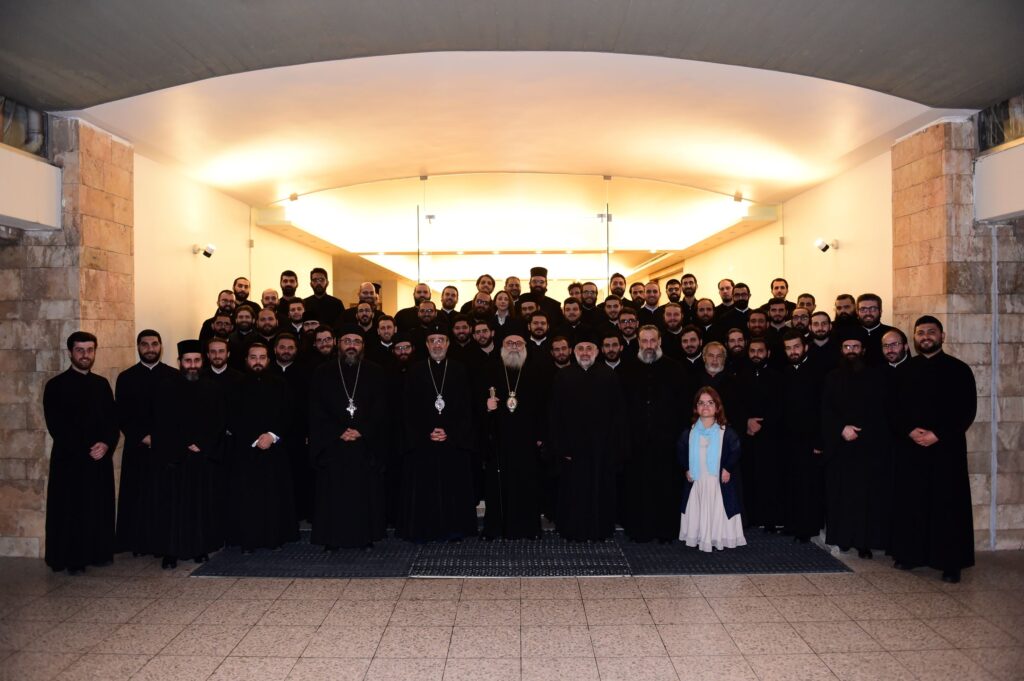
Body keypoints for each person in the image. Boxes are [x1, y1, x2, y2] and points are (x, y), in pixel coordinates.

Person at [890, 316, 977, 583]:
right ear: (914, 338)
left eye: (931, 332)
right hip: (911, 448)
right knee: (912, 503)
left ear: (942, 336)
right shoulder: (904, 370)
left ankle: (950, 562)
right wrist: (909, 430)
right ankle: (911, 555)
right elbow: (892, 408)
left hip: (946, 448)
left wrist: (937, 434)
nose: (925, 337)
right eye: (920, 333)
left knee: (947, 505)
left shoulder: (959, 370)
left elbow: (967, 410)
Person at [42, 331, 120, 574]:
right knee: (71, 511)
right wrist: (86, 449)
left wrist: (106, 444)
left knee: (98, 508)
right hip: (70, 461)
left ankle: (98, 553)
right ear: (70, 353)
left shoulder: (101, 384)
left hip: (99, 459)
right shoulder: (55, 386)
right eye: (80, 350)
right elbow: (56, 426)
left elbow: (112, 421)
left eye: (89, 350)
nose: (85, 355)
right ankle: (72, 559)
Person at [309, 325, 388, 550]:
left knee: (364, 492)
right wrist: (338, 431)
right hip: (334, 444)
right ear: (338, 344)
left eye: (356, 341)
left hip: (364, 444)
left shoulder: (375, 372)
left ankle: (366, 536)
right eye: (347, 341)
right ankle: (332, 538)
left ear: (363, 346)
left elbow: (381, 408)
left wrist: (362, 429)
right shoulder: (322, 372)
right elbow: (316, 408)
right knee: (334, 493)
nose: (351, 346)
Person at [150, 340, 226, 568]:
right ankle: (171, 552)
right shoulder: (166, 387)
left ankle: (200, 548)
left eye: (196, 360)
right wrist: (184, 444)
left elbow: (219, 421)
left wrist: (202, 444)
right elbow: (162, 423)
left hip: (202, 457)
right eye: (188, 361)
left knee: (200, 506)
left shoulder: (213, 388)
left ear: (202, 361)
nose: (192, 365)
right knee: (173, 508)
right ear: (180, 362)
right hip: (175, 458)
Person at [548, 331, 628, 540]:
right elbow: (555, 415)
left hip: (602, 449)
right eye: (581, 349)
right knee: (573, 491)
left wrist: (614, 446)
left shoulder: (609, 376)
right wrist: (561, 447)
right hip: (572, 449)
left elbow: (618, 415)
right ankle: (573, 530)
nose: (585, 352)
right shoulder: (563, 376)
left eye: (589, 348)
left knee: (600, 489)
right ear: (574, 352)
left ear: (597, 351)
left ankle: (600, 530)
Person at [400, 325, 477, 542]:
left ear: (448, 343)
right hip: (424, 443)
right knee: (425, 488)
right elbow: (408, 409)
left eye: (441, 340)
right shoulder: (415, 370)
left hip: (452, 442)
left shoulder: (459, 369)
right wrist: (427, 432)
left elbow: (466, 408)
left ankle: (454, 530)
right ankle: (425, 530)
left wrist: (449, 432)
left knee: (453, 487)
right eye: (432, 340)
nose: (437, 344)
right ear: (426, 345)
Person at [821, 326, 892, 558]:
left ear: (863, 350)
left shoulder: (876, 377)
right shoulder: (831, 377)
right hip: (840, 446)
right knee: (840, 495)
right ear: (841, 350)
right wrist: (841, 429)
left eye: (855, 347)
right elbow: (825, 409)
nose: (851, 350)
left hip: (867, 447)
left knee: (865, 497)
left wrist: (861, 431)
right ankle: (842, 538)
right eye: (847, 347)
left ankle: (864, 542)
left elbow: (881, 411)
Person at [619, 325, 690, 542]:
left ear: (659, 342)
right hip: (636, 442)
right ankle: (639, 531)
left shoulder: (675, 368)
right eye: (644, 341)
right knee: (637, 487)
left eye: (652, 341)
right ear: (638, 343)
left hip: (667, 441)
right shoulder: (626, 369)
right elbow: (620, 408)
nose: (649, 345)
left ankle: (666, 531)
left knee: (666, 487)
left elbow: (683, 405)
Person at [480, 322, 549, 539]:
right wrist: (486, 408)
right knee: (498, 485)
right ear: (502, 346)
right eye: (509, 343)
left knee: (526, 484)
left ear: (525, 346)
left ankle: (527, 528)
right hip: (499, 439)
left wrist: (541, 436)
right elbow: (473, 403)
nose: (514, 347)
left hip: (527, 440)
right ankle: (496, 528)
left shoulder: (537, 370)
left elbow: (545, 406)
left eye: (518, 343)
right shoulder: (490, 369)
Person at [226, 343, 297, 552]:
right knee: (248, 499)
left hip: (274, 450)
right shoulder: (235, 386)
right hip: (246, 451)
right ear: (246, 360)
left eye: (262, 357)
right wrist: (254, 439)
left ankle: (274, 538)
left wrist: (272, 436)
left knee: (274, 496)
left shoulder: (280, 384)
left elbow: (289, 414)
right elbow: (231, 417)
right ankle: (249, 541)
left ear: (268, 360)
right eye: (253, 357)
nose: (258, 362)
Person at [114, 330, 178, 555]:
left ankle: (163, 543)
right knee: (138, 496)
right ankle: (138, 544)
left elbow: (178, 414)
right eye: (145, 344)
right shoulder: (126, 377)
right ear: (138, 347)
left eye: (154, 344)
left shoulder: (173, 376)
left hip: (166, 447)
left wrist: (161, 438)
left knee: (164, 496)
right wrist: (142, 435)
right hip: (137, 447)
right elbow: (122, 413)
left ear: (161, 346)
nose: (150, 349)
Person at [678, 387, 746, 552]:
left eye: (710, 403)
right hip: (698, 481)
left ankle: (719, 538)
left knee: (719, 508)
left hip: (717, 482)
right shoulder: (690, 432)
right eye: (701, 403)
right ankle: (698, 537)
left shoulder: (725, 432)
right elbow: (681, 450)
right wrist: (686, 469)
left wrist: (727, 468)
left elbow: (736, 449)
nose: (705, 406)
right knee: (697, 507)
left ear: (717, 407)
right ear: (696, 408)